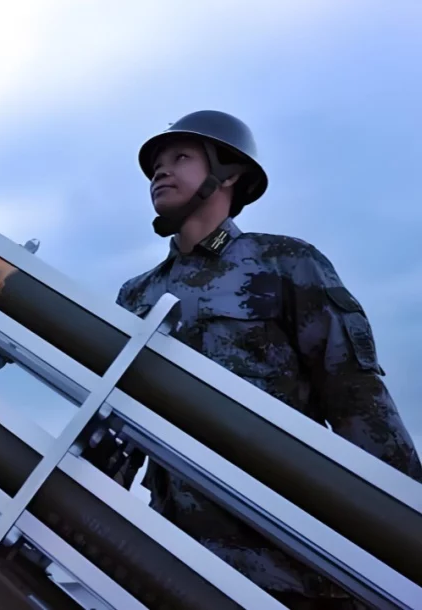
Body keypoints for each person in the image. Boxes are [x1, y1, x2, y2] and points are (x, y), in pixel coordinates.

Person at [114, 110, 422, 609]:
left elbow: (355, 399)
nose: (160, 172)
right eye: (155, 166)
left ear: (229, 175)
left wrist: (403, 528)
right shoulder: (137, 295)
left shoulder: (286, 264)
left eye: (180, 158)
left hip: (286, 558)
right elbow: (118, 426)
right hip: (174, 557)